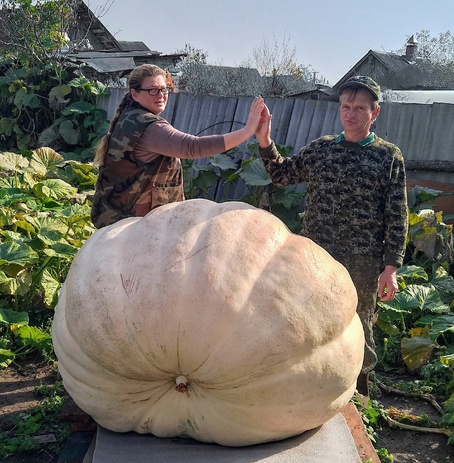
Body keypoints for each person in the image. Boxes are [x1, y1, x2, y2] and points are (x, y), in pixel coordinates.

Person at [255, 75, 408, 397]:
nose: (350, 114)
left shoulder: (388, 157)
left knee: (359, 324)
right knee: (303, 317)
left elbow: (397, 214)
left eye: (359, 109)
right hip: (315, 254)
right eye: (346, 107)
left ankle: (361, 396)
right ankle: (304, 386)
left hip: (362, 259)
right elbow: (282, 174)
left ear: (374, 113)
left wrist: (391, 267)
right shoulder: (322, 149)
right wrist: (265, 141)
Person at [91, 64, 265, 228]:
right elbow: (192, 147)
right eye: (152, 90)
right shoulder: (150, 127)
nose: (161, 95)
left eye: (164, 89)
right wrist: (247, 131)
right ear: (135, 94)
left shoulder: (131, 117)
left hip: (115, 216)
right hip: (134, 226)